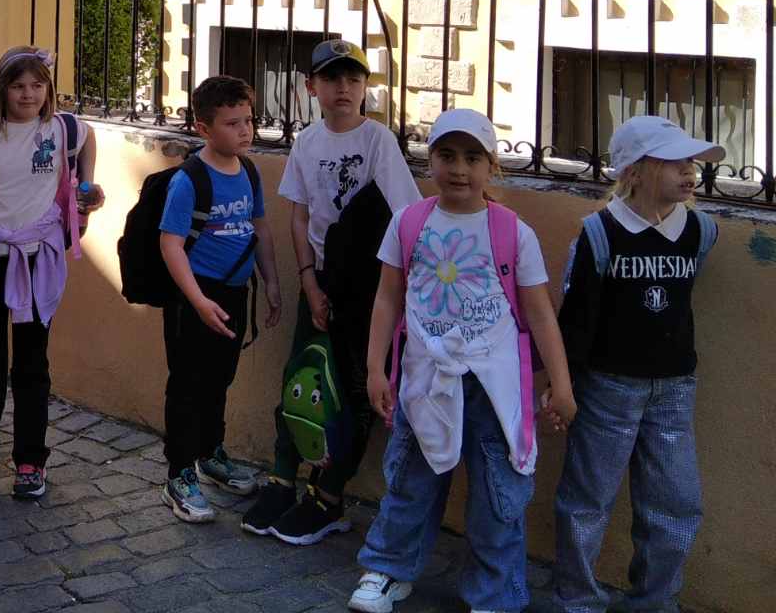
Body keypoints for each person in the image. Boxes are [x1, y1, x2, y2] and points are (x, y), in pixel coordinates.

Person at [348, 108, 576, 613]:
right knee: (410, 481)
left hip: (494, 389)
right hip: (424, 381)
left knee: (498, 496)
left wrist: (562, 384)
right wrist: (375, 368)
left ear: (491, 166)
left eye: (473, 158)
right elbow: (388, 297)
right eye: (447, 155)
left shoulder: (513, 232)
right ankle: (388, 570)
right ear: (430, 160)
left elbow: (540, 313)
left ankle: (495, 593)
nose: (458, 169)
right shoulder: (409, 223)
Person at [242, 38, 421, 545]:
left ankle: (328, 494)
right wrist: (307, 279)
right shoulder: (307, 142)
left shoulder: (377, 141)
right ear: (311, 86)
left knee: (352, 391)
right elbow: (299, 215)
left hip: (365, 287)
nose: (344, 87)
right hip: (318, 279)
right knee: (301, 377)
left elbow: (405, 217)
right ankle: (282, 477)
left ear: (365, 87)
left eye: (354, 78)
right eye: (332, 78)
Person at [551, 116, 722, 613]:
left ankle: (655, 601)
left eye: (691, 161)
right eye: (674, 161)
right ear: (635, 171)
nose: (689, 171)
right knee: (587, 500)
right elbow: (577, 317)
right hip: (608, 388)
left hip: (674, 390)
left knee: (676, 503)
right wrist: (563, 386)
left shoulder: (700, 230)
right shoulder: (600, 233)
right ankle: (578, 601)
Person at [0, 45, 104, 502]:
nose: (28, 94)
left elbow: (89, 139)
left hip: (36, 259)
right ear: (1, 90)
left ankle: (31, 460)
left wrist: (86, 184)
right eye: (18, 86)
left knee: (32, 364)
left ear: (48, 88)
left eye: (37, 85)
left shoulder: (62, 128)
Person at [160, 76, 282, 523]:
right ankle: (178, 473)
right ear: (203, 128)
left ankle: (210, 452)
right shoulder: (189, 180)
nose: (245, 130)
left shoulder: (249, 171)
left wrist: (271, 282)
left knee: (219, 378)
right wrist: (197, 301)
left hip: (234, 292)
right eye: (232, 123)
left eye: (248, 120)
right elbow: (171, 244)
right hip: (195, 296)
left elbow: (259, 228)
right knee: (187, 384)